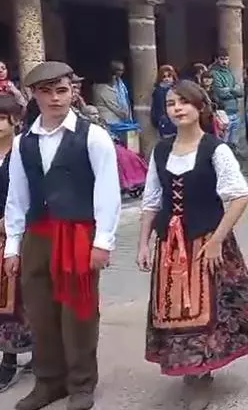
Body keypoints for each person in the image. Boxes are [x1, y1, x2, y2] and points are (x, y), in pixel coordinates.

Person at [137, 80, 248, 410]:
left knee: (209, 307)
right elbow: (152, 201)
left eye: (184, 102)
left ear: (200, 108)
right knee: (174, 306)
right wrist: (143, 244)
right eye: (171, 103)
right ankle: (187, 368)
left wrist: (216, 241)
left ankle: (201, 370)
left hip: (207, 240)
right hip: (171, 244)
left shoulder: (215, 149)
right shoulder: (161, 150)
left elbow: (238, 197)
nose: (177, 108)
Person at [4, 61, 121, 410]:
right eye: (46, 91)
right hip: (38, 234)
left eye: (62, 90)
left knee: (78, 312)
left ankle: (81, 383)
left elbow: (107, 191)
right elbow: (16, 198)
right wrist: (13, 245)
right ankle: (49, 382)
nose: (55, 98)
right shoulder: (23, 142)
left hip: (77, 233)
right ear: (33, 95)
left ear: (73, 92)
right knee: (40, 312)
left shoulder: (93, 135)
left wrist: (103, 241)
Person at [0, 94, 33, 392]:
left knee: (19, 297)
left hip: (18, 233)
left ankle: (13, 357)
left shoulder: (23, 151)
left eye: (1, 118)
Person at [209, 50, 243, 148]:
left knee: (233, 144)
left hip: (235, 111)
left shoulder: (229, 72)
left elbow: (240, 91)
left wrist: (229, 89)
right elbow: (220, 93)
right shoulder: (214, 73)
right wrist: (233, 90)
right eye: (222, 59)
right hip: (224, 112)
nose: (224, 62)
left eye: (226, 59)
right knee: (223, 144)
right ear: (216, 59)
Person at [151, 65, 178, 140]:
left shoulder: (178, 89)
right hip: (166, 123)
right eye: (164, 77)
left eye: (169, 76)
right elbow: (158, 108)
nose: (166, 79)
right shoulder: (158, 91)